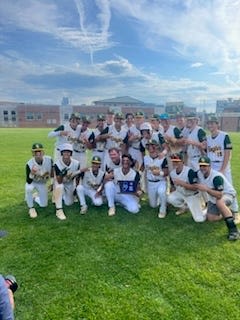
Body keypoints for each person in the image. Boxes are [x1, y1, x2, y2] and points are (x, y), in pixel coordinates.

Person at [195, 156, 239, 241]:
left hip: (227, 194)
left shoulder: (216, 177)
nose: (202, 168)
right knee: (211, 218)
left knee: (220, 202)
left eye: (205, 166)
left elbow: (219, 195)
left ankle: (234, 230)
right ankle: (228, 214)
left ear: (210, 166)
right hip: (213, 196)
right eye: (201, 165)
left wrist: (206, 189)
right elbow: (192, 175)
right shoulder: (199, 173)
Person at [206, 115, 239, 222]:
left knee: (229, 189)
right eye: (209, 123)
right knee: (215, 188)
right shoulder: (208, 138)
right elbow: (207, 153)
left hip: (222, 164)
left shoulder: (224, 136)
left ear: (217, 124)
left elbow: (227, 153)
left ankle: (235, 212)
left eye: (212, 123)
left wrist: (223, 169)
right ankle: (219, 209)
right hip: (212, 165)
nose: (210, 125)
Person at [167, 152, 206, 222]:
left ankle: (206, 210)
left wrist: (183, 184)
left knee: (199, 219)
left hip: (192, 195)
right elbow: (172, 187)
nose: (175, 163)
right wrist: (171, 201)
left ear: (182, 161)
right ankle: (184, 207)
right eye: (173, 161)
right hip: (181, 194)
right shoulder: (172, 173)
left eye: (177, 161)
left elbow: (195, 188)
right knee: (170, 198)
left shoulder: (189, 171)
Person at [53, 143, 81, 220]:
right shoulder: (57, 164)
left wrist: (76, 189)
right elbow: (59, 181)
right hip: (59, 182)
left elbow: (77, 177)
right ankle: (59, 210)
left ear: (71, 153)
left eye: (68, 152)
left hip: (69, 183)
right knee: (60, 186)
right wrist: (62, 174)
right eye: (64, 152)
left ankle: (58, 196)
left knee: (69, 203)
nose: (66, 153)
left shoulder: (76, 163)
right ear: (61, 153)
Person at [25, 143, 53, 218]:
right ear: (32, 153)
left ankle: (35, 197)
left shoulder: (49, 160)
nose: (38, 154)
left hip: (42, 183)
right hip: (33, 182)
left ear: (43, 152)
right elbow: (28, 181)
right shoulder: (29, 163)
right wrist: (32, 173)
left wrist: (52, 183)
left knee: (44, 205)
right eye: (35, 152)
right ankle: (31, 208)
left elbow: (53, 173)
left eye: (39, 151)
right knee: (29, 188)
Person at [143, 139, 168, 218]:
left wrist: (160, 173)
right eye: (149, 146)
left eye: (152, 145)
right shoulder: (146, 158)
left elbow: (167, 172)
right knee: (153, 205)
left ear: (156, 147)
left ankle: (163, 209)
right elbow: (145, 170)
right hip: (151, 183)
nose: (150, 148)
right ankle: (161, 200)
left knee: (161, 192)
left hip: (160, 181)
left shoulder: (162, 158)